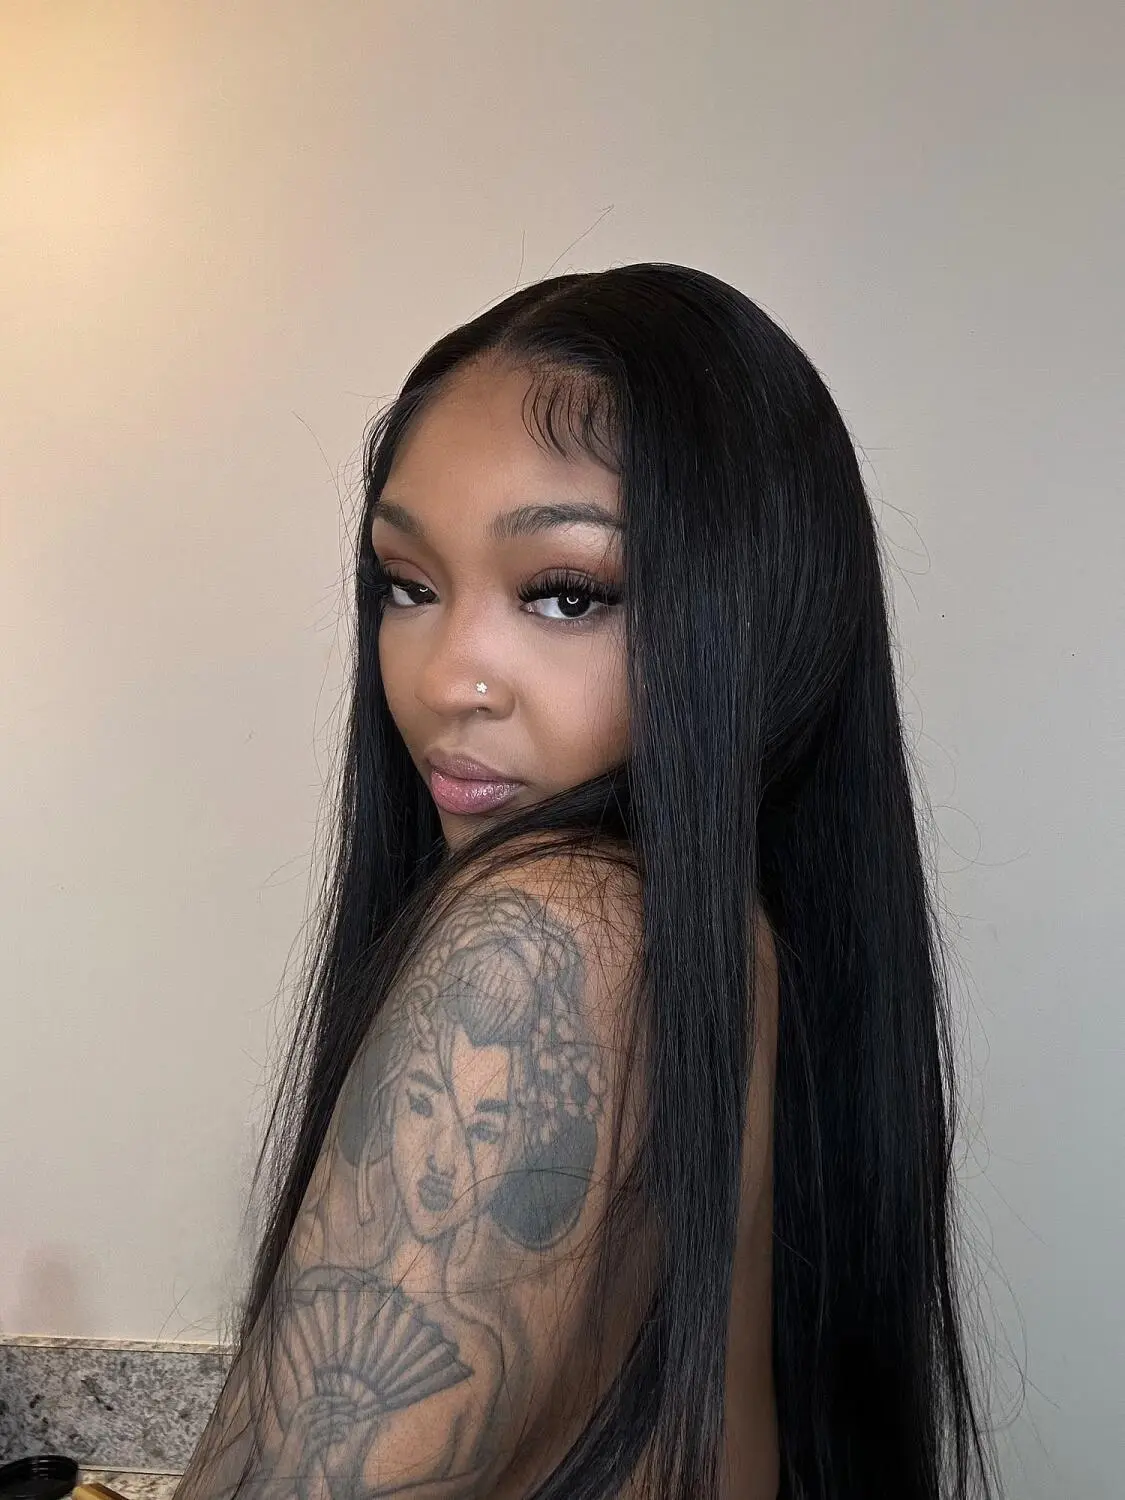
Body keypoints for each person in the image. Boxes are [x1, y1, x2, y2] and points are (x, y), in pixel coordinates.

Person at [173, 263, 1000, 1500]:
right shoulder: (718, 944)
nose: (447, 679)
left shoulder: (565, 930)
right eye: (408, 585)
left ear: (754, 615)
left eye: (565, 595)